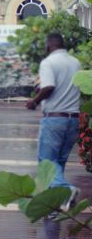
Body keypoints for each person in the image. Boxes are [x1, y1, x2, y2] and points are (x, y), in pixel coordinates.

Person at [26, 33, 81, 210]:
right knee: (59, 162)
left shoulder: (48, 62)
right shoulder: (75, 62)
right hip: (73, 119)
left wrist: (34, 100)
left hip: (55, 119)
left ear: (49, 46)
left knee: (47, 162)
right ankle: (56, 202)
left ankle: (66, 190)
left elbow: (49, 87)